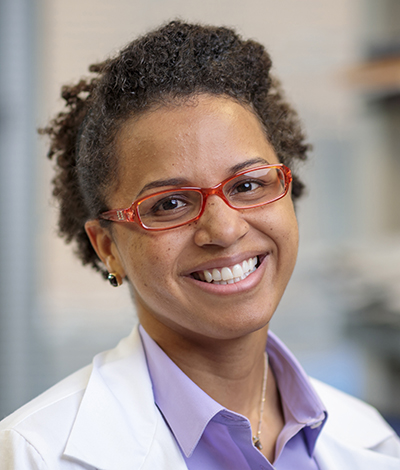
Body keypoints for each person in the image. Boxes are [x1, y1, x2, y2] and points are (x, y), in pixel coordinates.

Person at [0, 20, 399, 470]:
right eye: (170, 203)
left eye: (247, 185)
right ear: (107, 247)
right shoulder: (32, 454)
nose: (225, 230)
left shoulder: (372, 441)